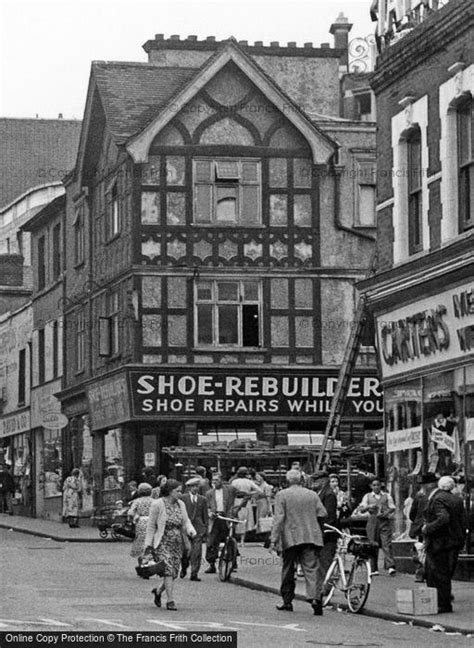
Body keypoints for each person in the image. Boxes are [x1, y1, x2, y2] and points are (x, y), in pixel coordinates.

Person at [270, 469, 327, 616]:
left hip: (290, 537)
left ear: (288, 480)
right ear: (301, 480)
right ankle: (315, 598)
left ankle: (287, 601)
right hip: (310, 536)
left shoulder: (282, 495)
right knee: (311, 568)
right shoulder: (312, 494)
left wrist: (273, 539)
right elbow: (322, 513)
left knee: (288, 569)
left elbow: (279, 518)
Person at [144, 479, 196, 611]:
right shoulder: (158, 504)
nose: (180, 493)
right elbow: (151, 526)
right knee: (167, 570)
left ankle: (158, 591)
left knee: (173, 574)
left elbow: (186, 520)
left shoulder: (181, 504)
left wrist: (190, 530)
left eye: (181, 491)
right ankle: (170, 600)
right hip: (162, 542)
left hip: (177, 543)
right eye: (178, 491)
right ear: (169, 491)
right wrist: (148, 546)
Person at [422, 475, 467, 614]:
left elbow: (443, 518)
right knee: (446, 573)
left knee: (437, 573)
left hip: (439, 542)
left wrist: (427, 528)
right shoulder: (457, 500)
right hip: (454, 542)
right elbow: (463, 521)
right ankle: (444, 601)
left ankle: (442, 603)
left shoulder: (438, 498)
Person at [358, 478, 396, 576]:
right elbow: (361, 509)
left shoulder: (387, 496)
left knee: (386, 543)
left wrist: (386, 512)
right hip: (372, 521)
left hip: (384, 521)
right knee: (373, 544)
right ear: (371, 486)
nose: (376, 487)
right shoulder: (367, 496)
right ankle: (374, 568)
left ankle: (390, 566)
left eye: (378, 485)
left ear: (381, 485)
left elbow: (392, 507)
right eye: (374, 485)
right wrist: (369, 507)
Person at [311, 471, 338, 601]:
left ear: (324, 480)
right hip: (321, 532)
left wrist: (322, 531)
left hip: (327, 534)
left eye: (316, 480)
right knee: (321, 562)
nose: (314, 483)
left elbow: (329, 516)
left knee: (325, 562)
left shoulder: (329, 495)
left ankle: (325, 588)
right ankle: (322, 587)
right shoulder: (322, 492)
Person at [408, 473, 438, 582]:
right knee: (425, 551)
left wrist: (417, 522)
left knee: (421, 550)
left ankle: (420, 573)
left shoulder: (419, 496)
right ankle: (425, 574)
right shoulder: (435, 495)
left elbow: (412, 514)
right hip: (431, 527)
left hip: (421, 527)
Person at [205, 472, 236, 574]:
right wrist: (210, 513)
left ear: (222, 481)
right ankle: (211, 564)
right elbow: (208, 506)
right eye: (213, 480)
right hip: (215, 518)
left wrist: (234, 512)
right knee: (212, 541)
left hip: (226, 516)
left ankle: (233, 562)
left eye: (216, 480)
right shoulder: (209, 493)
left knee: (230, 539)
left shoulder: (229, 490)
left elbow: (239, 498)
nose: (214, 482)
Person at [180, 477, 209, 581]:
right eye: (193, 486)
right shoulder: (183, 498)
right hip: (185, 528)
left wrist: (206, 528)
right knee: (185, 551)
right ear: (189, 488)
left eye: (197, 486)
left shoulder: (203, 499)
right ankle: (184, 567)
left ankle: (194, 573)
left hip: (198, 528)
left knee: (197, 552)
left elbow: (205, 515)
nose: (195, 489)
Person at [229, 466, 262, 544]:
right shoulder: (249, 482)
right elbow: (259, 491)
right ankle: (242, 540)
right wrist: (250, 494)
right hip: (246, 501)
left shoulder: (234, 482)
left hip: (237, 501)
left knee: (237, 518)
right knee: (244, 520)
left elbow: (230, 491)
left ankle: (235, 539)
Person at [128, 482, 154, 573]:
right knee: (149, 544)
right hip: (151, 523)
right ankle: (147, 563)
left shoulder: (137, 501)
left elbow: (130, 512)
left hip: (141, 522)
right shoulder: (154, 501)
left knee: (140, 543)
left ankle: (141, 565)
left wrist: (136, 515)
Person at [253, 472, 273, 543]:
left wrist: (269, 507)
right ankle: (263, 537)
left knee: (263, 519)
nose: (256, 478)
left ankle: (267, 538)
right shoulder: (259, 485)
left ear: (262, 477)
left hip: (264, 503)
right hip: (259, 503)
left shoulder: (266, 486)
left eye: (258, 477)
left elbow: (268, 498)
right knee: (260, 519)